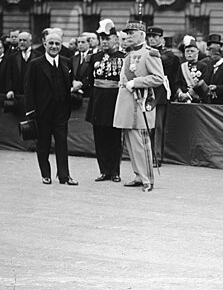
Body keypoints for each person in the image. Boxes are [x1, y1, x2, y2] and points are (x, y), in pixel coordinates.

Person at [112, 21, 166, 192]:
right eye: (127, 34)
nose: (128, 36)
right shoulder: (128, 54)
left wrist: (136, 82)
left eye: (132, 33)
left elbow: (158, 78)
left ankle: (147, 179)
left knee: (142, 144)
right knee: (130, 143)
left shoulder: (150, 54)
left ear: (142, 35)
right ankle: (138, 175)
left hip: (140, 104)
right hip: (126, 105)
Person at [24, 32, 81, 185]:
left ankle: (64, 175)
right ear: (44, 44)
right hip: (42, 112)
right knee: (43, 144)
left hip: (61, 111)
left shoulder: (66, 62)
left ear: (61, 45)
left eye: (57, 44)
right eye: (51, 43)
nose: (54, 47)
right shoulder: (35, 64)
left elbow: (68, 84)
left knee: (62, 142)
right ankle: (46, 174)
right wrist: (31, 112)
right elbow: (29, 89)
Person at [85, 26, 126, 182]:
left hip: (115, 101)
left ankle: (115, 171)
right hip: (98, 101)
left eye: (108, 38)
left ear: (115, 39)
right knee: (100, 138)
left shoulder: (123, 57)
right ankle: (103, 170)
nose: (104, 42)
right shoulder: (94, 57)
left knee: (115, 138)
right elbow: (89, 79)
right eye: (102, 39)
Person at [146, 26, 178, 166]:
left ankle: (157, 157)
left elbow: (161, 60)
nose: (152, 39)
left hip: (160, 94)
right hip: (147, 92)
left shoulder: (168, 54)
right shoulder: (147, 52)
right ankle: (147, 155)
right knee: (147, 126)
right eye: (150, 37)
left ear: (161, 39)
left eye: (155, 37)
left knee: (158, 126)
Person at [4, 31, 34, 100]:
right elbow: (8, 75)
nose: (22, 42)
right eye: (20, 40)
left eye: (24, 40)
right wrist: (9, 90)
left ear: (30, 42)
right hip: (17, 95)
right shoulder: (12, 57)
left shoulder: (38, 56)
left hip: (34, 95)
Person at [201, 39, 223, 105]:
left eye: (210, 56)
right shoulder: (210, 66)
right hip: (209, 102)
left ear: (217, 55)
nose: (208, 59)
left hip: (221, 103)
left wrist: (217, 88)